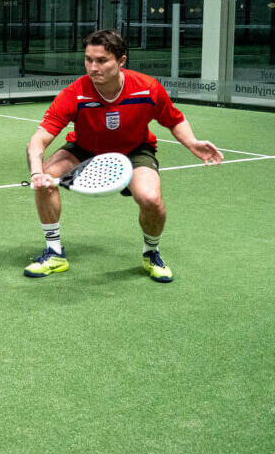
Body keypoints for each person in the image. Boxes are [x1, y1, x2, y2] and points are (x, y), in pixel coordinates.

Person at [25, 29, 223, 282]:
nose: (93, 67)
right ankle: (54, 253)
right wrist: (36, 172)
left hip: (134, 150)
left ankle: (151, 253)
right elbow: (38, 139)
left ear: (121, 61)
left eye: (102, 60)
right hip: (85, 148)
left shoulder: (147, 88)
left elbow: (174, 120)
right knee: (45, 181)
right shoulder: (75, 93)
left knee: (150, 199)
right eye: (88, 59)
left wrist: (192, 142)